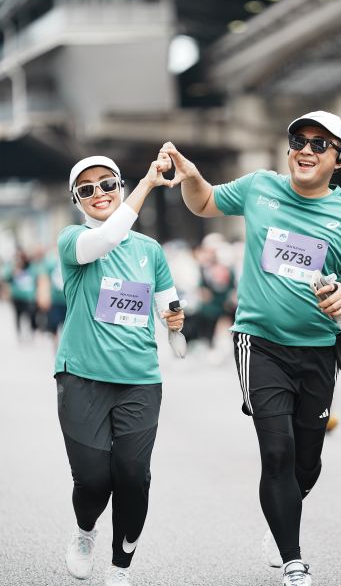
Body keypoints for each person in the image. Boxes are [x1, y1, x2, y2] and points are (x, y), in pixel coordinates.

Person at [160, 110, 341, 586]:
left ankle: (282, 517)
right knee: (277, 451)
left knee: (307, 463)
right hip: (258, 343)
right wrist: (193, 177)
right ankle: (292, 559)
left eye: (320, 144)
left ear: (340, 159)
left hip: (319, 350)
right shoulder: (260, 187)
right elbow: (204, 203)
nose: (306, 150)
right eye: (299, 140)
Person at [55, 154, 184, 586]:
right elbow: (108, 237)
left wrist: (174, 320)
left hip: (139, 381)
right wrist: (148, 183)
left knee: (133, 476)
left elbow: (166, 301)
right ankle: (84, 531)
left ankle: (120, 566)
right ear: (77, 200)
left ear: (119, 186)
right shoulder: (73, 240)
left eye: (108, 183)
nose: (99, 193)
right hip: (82, 378)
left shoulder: (150, 250)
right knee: (93, 480)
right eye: (86, 189)